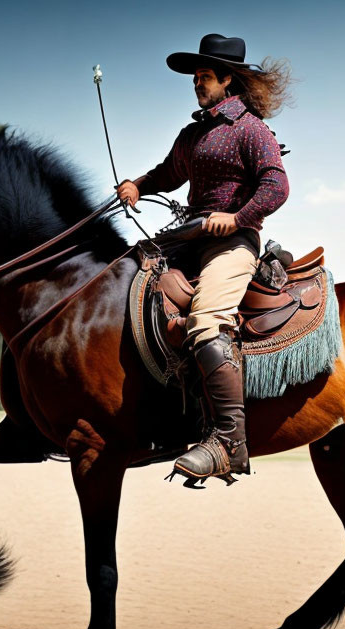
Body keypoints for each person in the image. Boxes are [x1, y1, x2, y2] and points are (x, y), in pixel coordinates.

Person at [117, 33, 291, 483]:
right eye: (195, 77)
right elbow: (167, 174)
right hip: (187, 238)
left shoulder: (250, 129)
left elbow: (276, 187)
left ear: (228, 80)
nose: (197, 83)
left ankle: (227, 444)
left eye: (205, 76)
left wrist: (236, 219)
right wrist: (137, 184)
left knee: (207, 321)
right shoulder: (193, 134)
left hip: (231, 244)